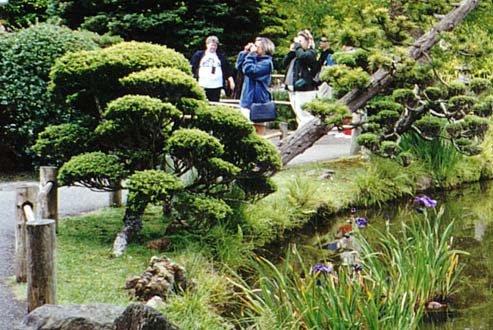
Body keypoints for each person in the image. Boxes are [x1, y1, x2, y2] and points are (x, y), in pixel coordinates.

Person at [236, 37, 275, 135]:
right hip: (247, 99)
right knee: (245, 129)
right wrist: (245, 52)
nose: (255, 48)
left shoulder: (267, 63)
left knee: (258, 130)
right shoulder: (253, 59)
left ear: (264, 48)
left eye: (257, 46)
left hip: (259, 101)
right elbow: (240, 67)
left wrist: (251, 54)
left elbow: (250, 70)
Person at [283, 29, 318, 128]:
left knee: (306, 115)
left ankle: (306, 133)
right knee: (299, 115)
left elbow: (303, 57)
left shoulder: (311, 53)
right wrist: (291, 52)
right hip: (293, 88)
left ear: (308, 42)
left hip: (305, 88)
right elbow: (284, 63)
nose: (297, 44)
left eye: (300, 41)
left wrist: (298, 47)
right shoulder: (296, 54)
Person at [190, 35, 235, 102]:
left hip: (216, 85)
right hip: (202, 84)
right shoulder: (199, 55)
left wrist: (231, 81)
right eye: (212, 45)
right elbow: (192, 67)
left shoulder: (220, 57)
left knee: (215, 103)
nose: (213, 47)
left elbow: (227, 70)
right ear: (207, 45)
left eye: (215, 45)